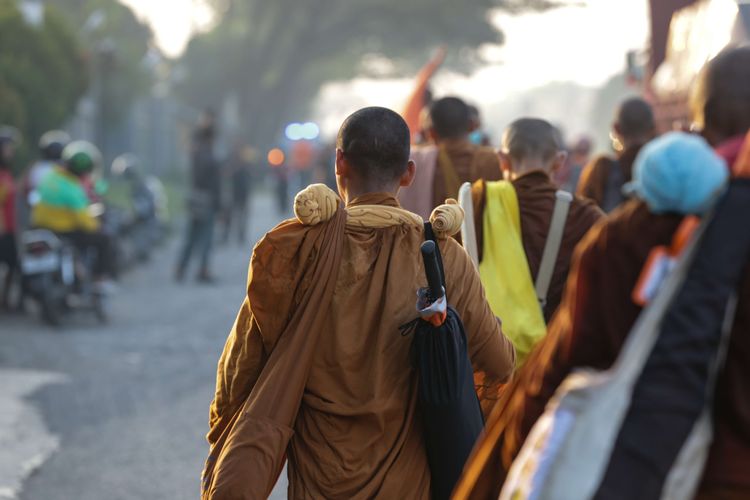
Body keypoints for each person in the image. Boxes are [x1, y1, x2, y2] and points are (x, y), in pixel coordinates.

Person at [455, 46, 750, 500]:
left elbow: (555, 378)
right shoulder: (595, 221)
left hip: (654, 472)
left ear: (696, 123)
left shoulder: (632, 235)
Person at [204, 107, 516, 499]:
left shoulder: (299, 251)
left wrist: (228, 438)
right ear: (408, 173)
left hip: (320, 479)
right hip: (409, 482)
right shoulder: (442, 256)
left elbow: (242, 369)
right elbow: (500, 364)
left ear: (338, 163)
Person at [470, 118, 603, 361]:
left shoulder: (478, 203)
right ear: (559, 161)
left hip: (490, 359)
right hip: (557, 355)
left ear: (502, 159)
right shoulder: (586, 217)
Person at [399, 96, 502, 218]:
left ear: (431, 133)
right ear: (472, 126)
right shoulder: (496, 160)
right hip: (486, 237)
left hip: (432, 236)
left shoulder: (415, 163)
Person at [31, 141, 116, 283]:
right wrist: (96, 227)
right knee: (104, 239)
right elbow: (84, 219)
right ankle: (99, 280)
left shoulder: (49, 177)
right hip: (63, 231)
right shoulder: (72, 187)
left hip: (39, 227)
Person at [577, 97, 656, 212]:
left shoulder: (601, 171)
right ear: (653, 129)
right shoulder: (663, 171)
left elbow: (583, 217)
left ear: (616, 128)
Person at [175, 113, 221, 283]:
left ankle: (181, 267)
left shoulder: (195, 152)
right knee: (206, 237)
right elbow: (213, 182)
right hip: (207, 200)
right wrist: (219, 203)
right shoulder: (208, 155)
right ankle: (203, 270)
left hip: (195, 198)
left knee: (191, 236)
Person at [0, 128, 19, 310]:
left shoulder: (6, 173)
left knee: (13, 266)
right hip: (3, 230)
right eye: (7, 147)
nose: (10, 151)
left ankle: (6, 301)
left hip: (9, 229)